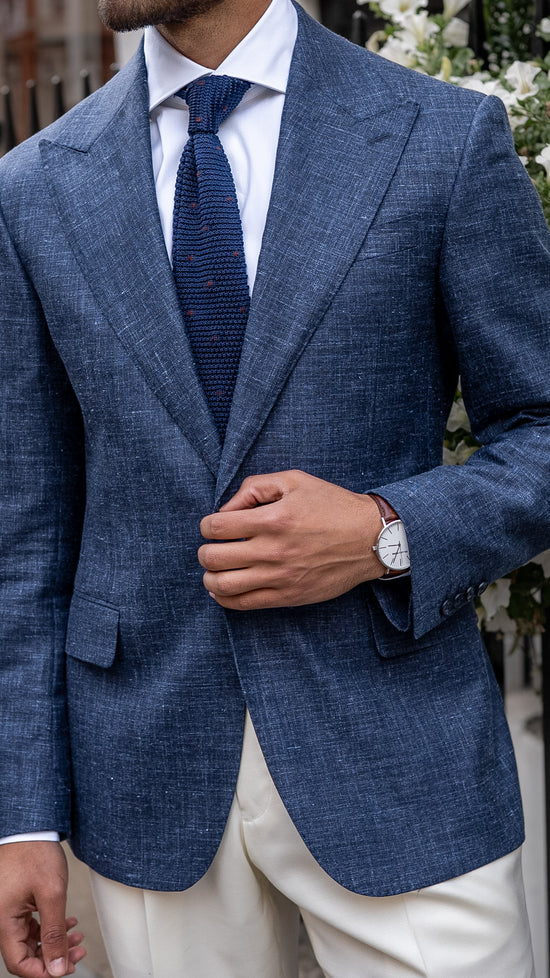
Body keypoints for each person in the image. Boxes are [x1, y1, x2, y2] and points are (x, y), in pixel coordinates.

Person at [0, 0, 549, 975]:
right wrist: (21, 815)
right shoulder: (34, 188)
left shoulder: (440, 134)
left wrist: (387, 530)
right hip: (148, 775)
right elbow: (29, 531)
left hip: (398, 759)